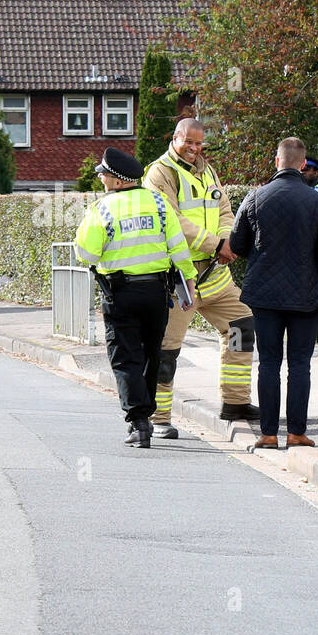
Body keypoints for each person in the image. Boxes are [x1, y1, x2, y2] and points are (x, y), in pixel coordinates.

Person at [75, 147, 197, 449]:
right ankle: (147, 414)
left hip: (120, 293)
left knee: (125, 356)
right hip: (157, 293)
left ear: (117, 181)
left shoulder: (101, 209)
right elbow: (179, 248)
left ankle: (139, 422)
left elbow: (86, 254)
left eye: (104, 174)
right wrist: (189, 287)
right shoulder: (158, 202)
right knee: (151, 354)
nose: (101, 178)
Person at [143, 118, 258, 438]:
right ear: (175, 138)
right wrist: (215, 243)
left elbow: (224, 210)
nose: (194, 149)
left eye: (199, 144)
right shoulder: (160, 173)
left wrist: (227, 241)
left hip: (215, 275)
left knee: (241, 325)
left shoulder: (208, 170)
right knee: (167, 349)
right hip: (180, 277)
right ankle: (159, 417)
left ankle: (235, 402)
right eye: (188, 142)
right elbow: (172, 221)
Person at [229, 138, 318, 449]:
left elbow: (237, 246)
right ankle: (297, 432)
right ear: (303, 165)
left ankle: (268, 433)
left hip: (264, 295)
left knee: (268, 363)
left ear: (277, 162)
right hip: (307, 295)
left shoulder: (254, 198)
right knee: (300, 364)